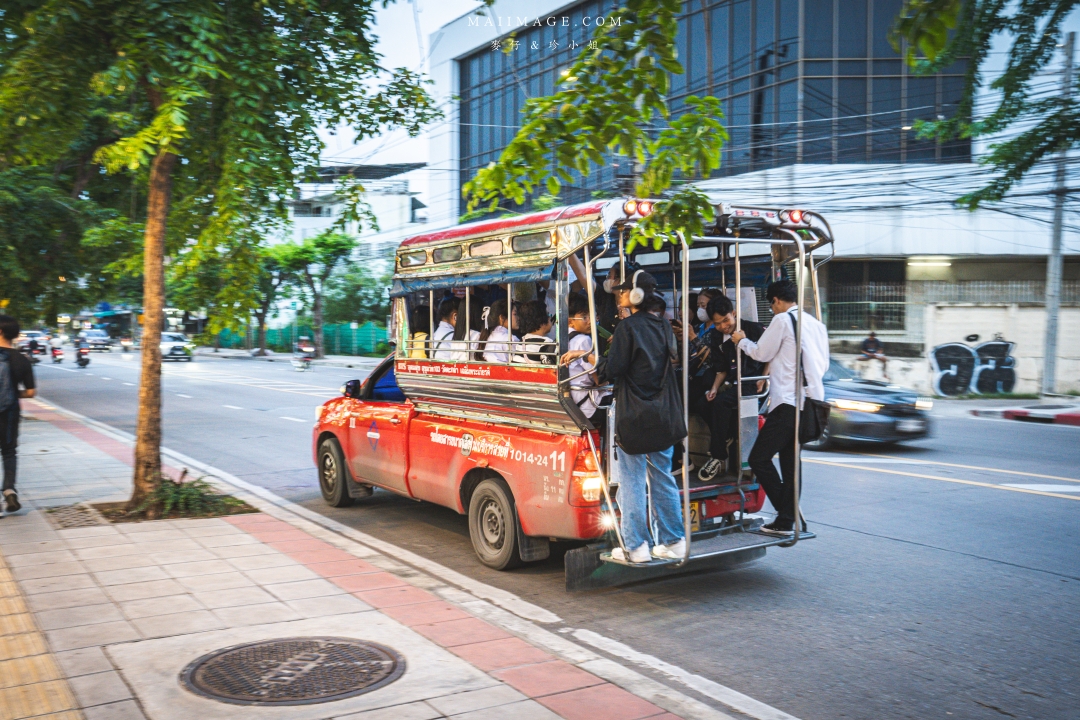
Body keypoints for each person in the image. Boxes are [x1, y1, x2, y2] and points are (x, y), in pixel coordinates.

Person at [561, 268, 685, 564]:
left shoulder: (627, 328)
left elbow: (610, 371)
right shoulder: (664, 326)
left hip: (634, 415)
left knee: (631, 481)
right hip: (664, 415)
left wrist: (588, 356)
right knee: (663, 477)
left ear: (637, 295)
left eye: (625, 291)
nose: (620, 295)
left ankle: (636, 546)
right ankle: (674, 542)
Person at [731, 280, 829, 536]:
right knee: (791, 462)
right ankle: (786, 521)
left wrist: (741, 340)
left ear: (775, 300)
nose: (772, 309)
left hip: (787, 403)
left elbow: (761, 353)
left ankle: (787, 514)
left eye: (771, 305)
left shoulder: (783, 320)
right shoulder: (816, 325)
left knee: (758, 459)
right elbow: (823, 365)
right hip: (809, 404)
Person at [696, 294, 767, 482]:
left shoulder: (754, 329)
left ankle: (717, 455)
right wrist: (713, 388)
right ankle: (726, 434)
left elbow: (770, 355)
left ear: (733, 313)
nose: (723, 326)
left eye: (726, 320)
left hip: (751, 382)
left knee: (721, 403)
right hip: (731, 382)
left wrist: (763, 378)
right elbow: (721, 369)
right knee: (703, 403)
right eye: (718, 323)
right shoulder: (716, 336)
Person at [0, 315, 36, 514]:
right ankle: (9, 490)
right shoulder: (22, 359)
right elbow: (31, 392)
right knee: (9, 451)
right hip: (10, 411)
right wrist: (13, 392)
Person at [566, 294, 611, 432]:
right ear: (570, 321)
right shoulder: (583, 340)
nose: (590, 321)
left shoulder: (561, 338)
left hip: (572, 402)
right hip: (588, 405)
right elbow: (599, 380)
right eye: (584, 317)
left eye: (591, 316)